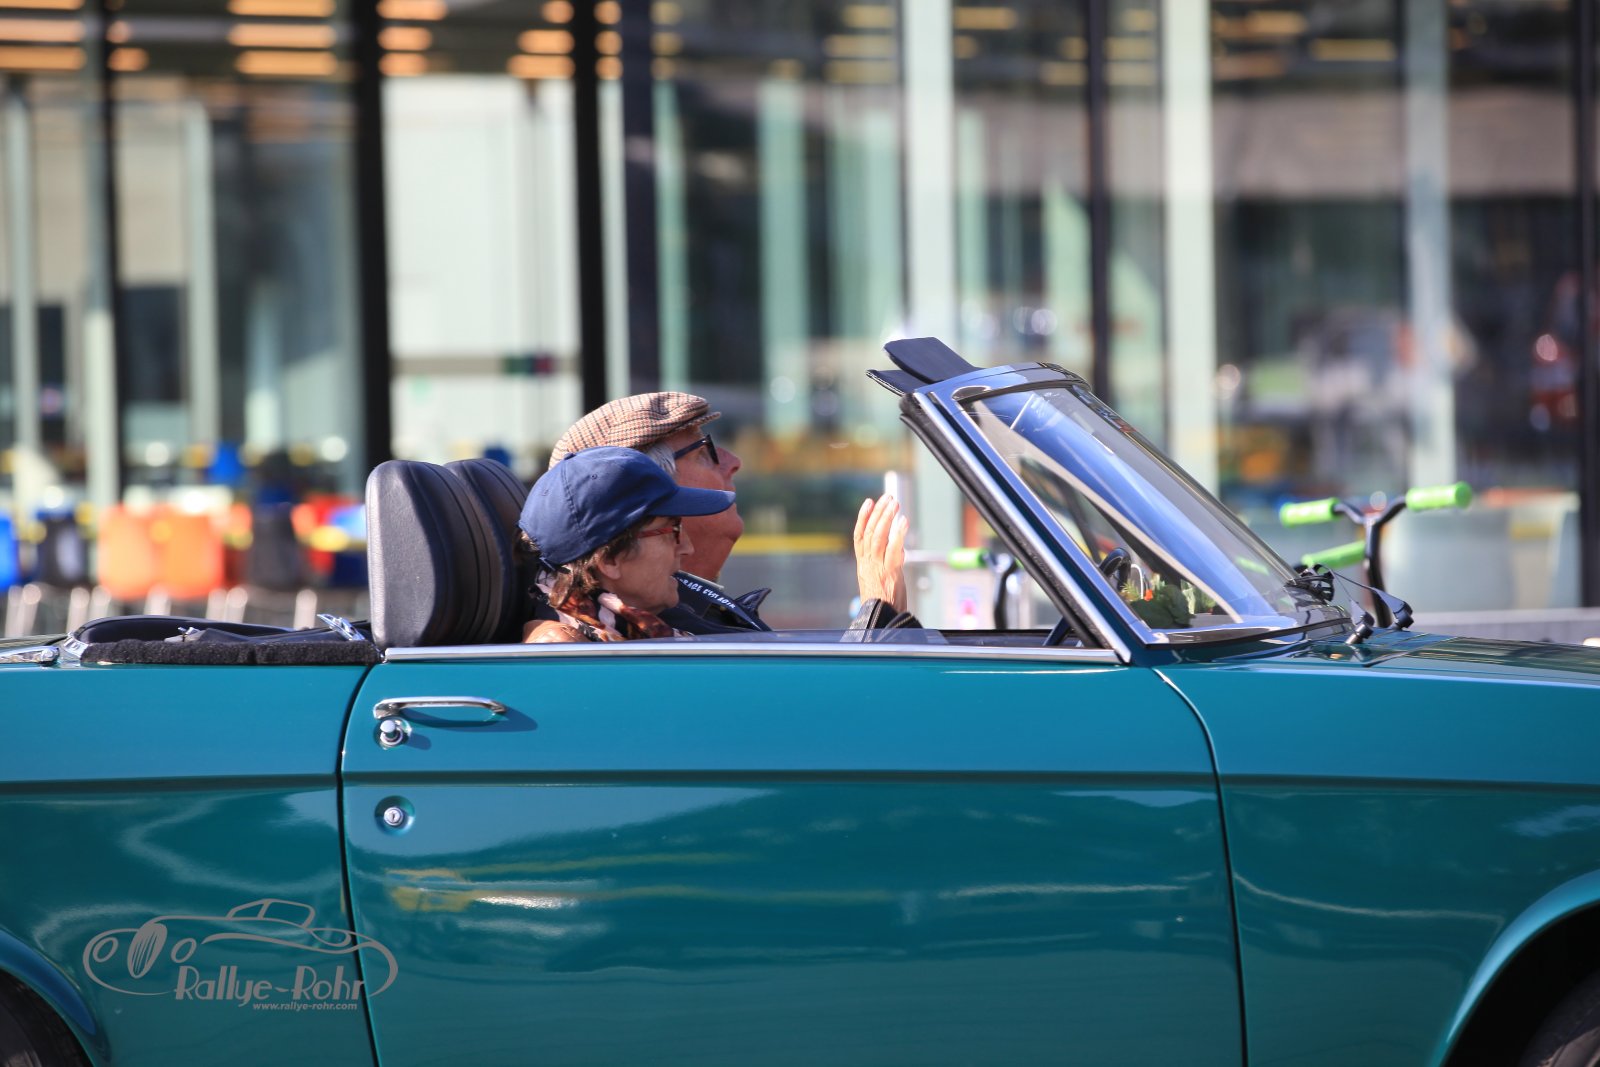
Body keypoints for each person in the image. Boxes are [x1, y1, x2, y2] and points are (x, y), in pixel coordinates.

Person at [549, 392, 908, 632]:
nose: (734, 462)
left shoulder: (667, 619)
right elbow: (820, 714)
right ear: (650, 486)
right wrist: (880, 612)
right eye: (703, 452)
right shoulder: (650, 633)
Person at [519, 446, 735, 643]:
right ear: (610, 559)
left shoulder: (625, 634)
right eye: (673, 531)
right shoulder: (576, 659)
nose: (687, 548)